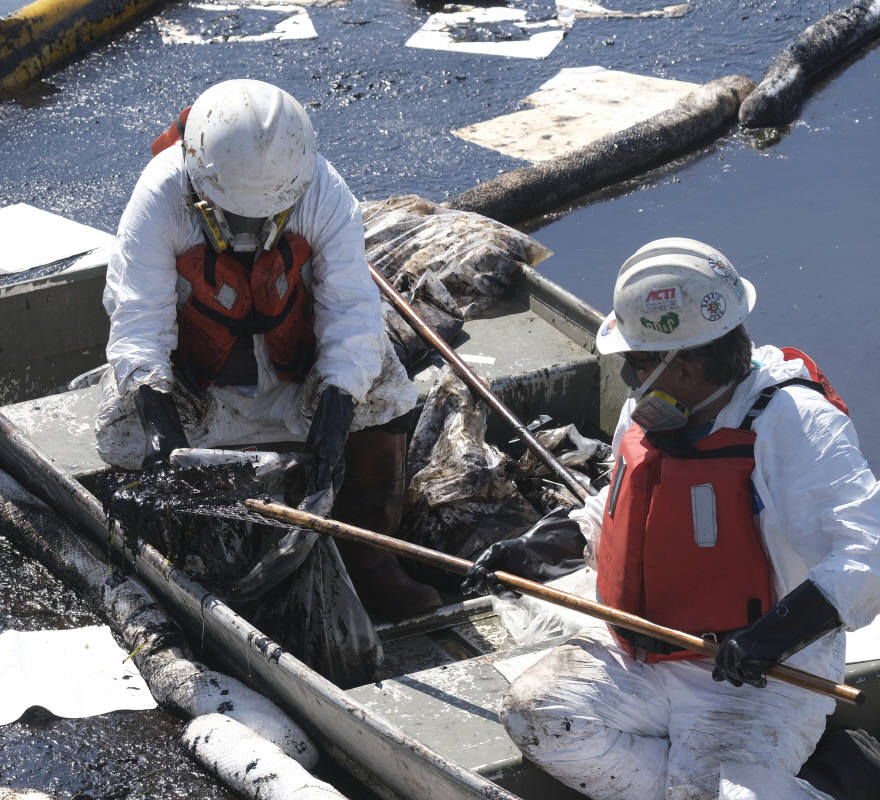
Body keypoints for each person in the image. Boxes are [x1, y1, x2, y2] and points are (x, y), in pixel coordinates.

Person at [463, 238, 880, 799]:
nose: (630, 382)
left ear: (684, 366)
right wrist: (530, 548)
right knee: (539, 718)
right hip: (641, 650)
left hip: (756, 675)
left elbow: (866, 554)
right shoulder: (655, 412)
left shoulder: (796, 425)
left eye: (636, 365)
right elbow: (612, 506)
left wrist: (771, 638)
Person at [95, 78, 441, 618]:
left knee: (387, 388)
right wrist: (164, 430)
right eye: (234, 212)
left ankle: (367, 556)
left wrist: (336, 407)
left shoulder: (323, 190)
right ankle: (198, 552)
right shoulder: (162, 192)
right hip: (201, 391)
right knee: (123, 434)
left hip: (292, 381)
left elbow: (352, 313)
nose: (248, 226)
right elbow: (137, 322)